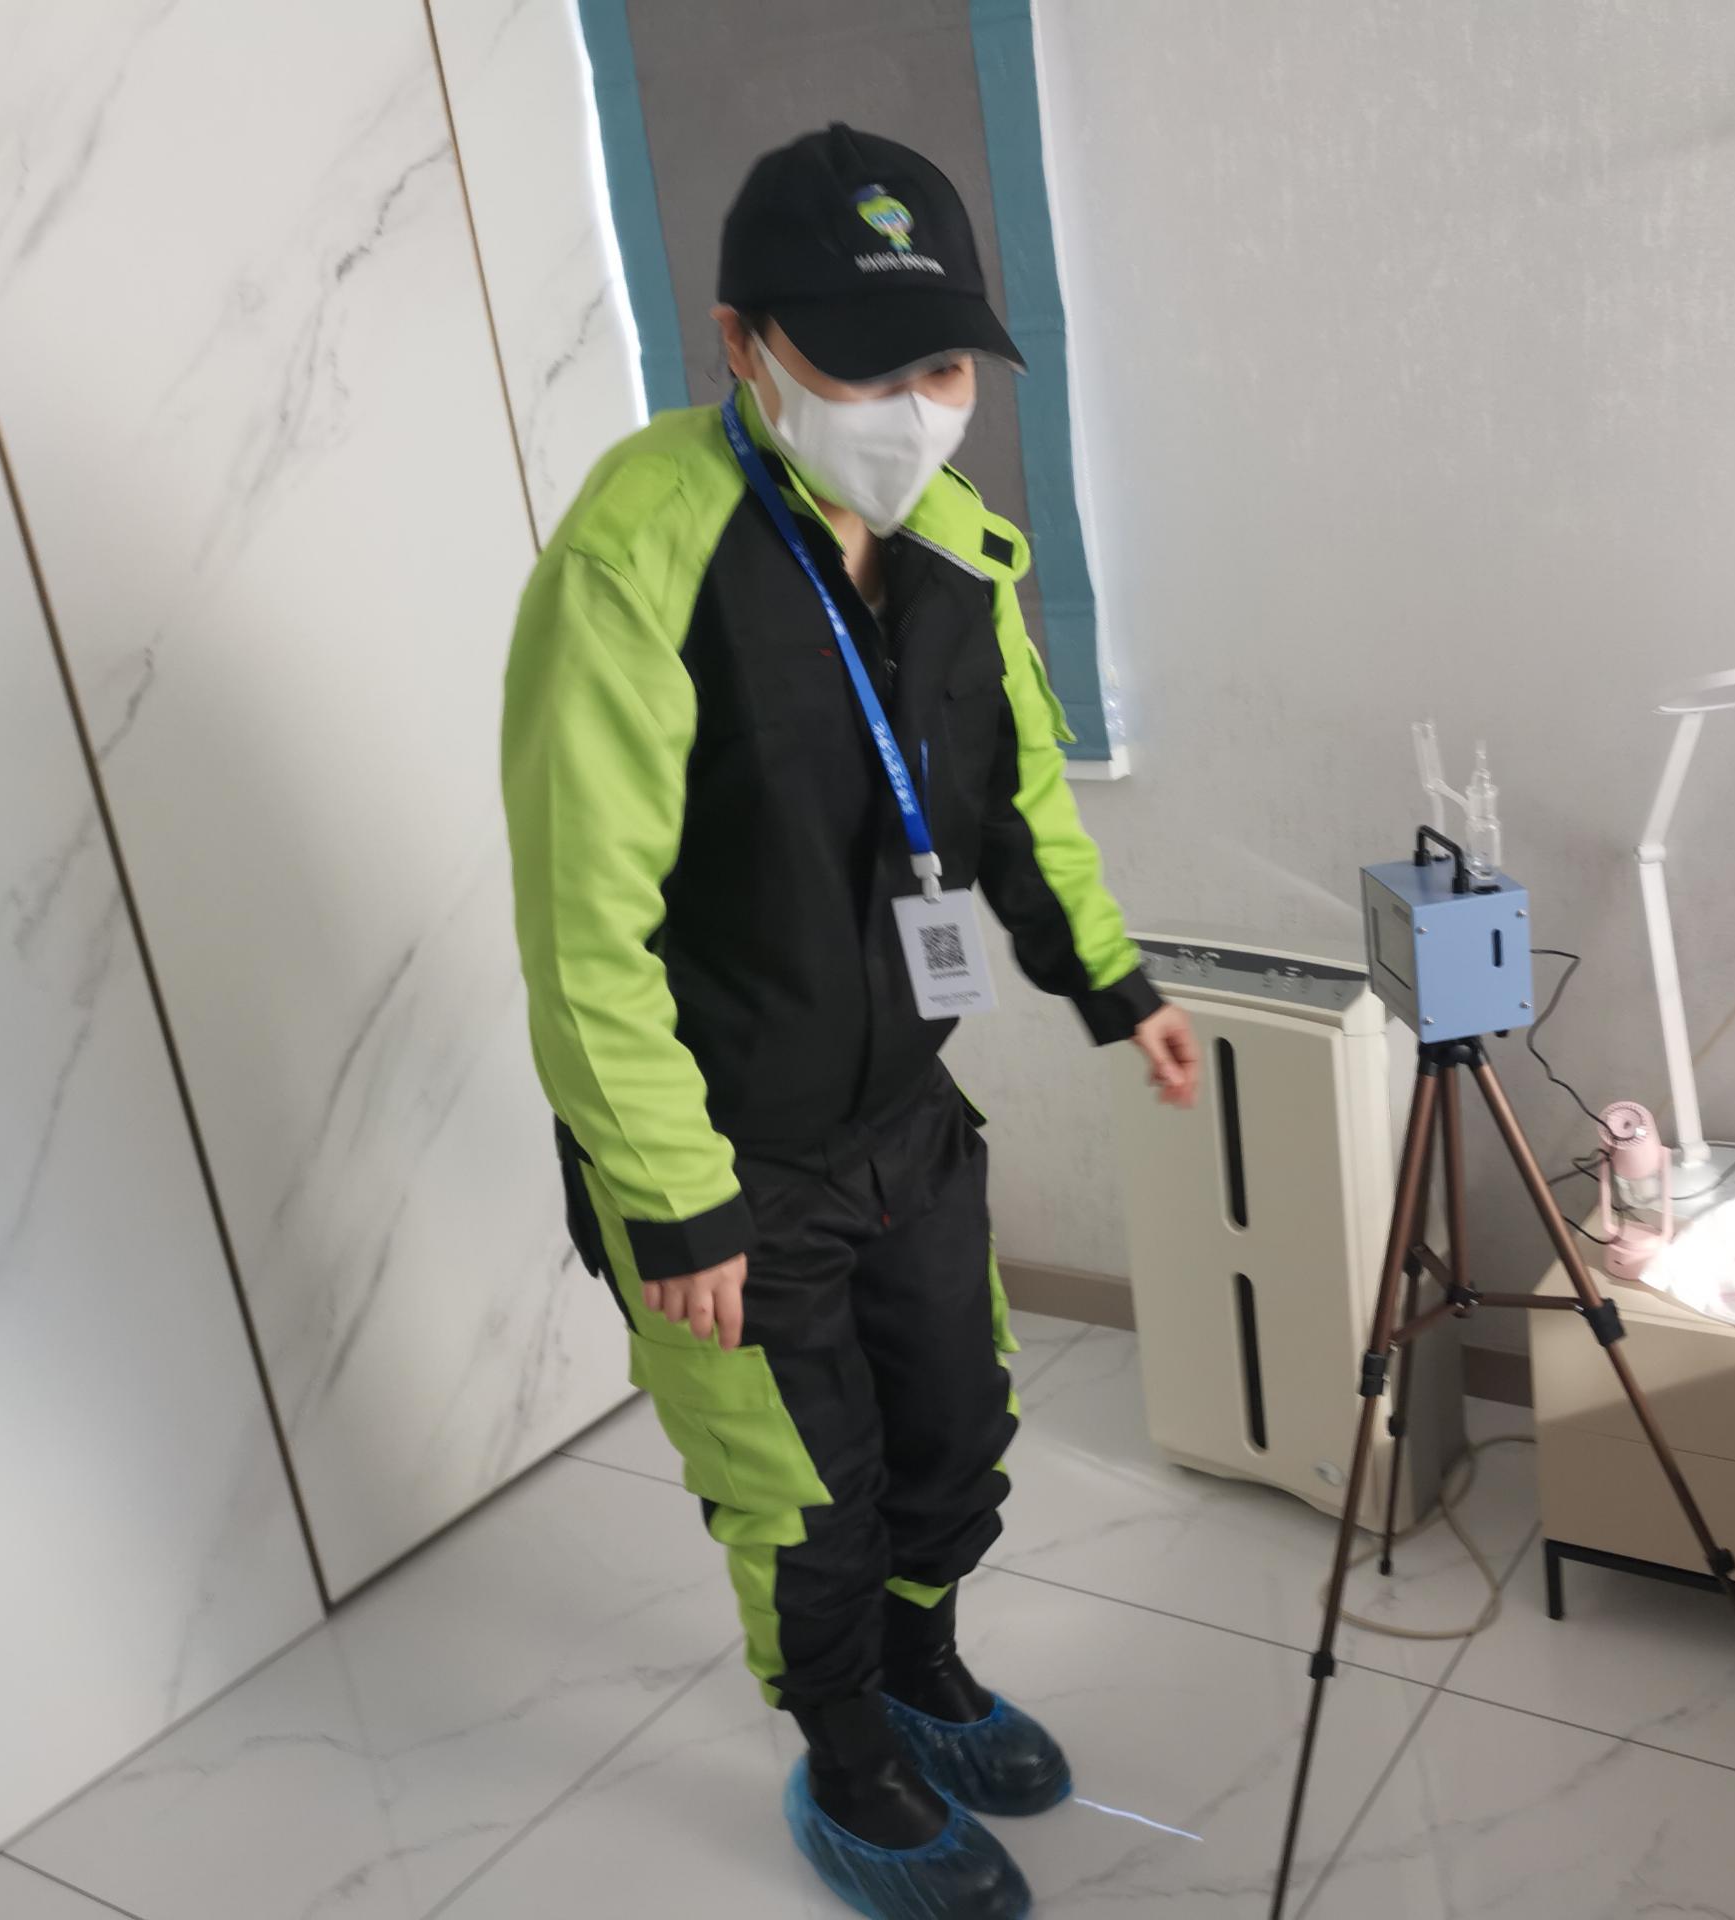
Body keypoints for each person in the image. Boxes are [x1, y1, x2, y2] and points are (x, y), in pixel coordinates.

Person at [500, 124, 1198, 1920]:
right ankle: (850, 1750)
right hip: (726, 1156)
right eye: (862, 365)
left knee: (955, 1432)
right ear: (743, 344)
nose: (910, 408)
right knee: (805, 1491)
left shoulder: (957, 552)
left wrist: (1114, 985)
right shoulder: (638, 558)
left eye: (940, 366)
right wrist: (676, 1202)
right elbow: (584, 933)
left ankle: (924, 1665)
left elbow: (1017, 805)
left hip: (904, 1123)